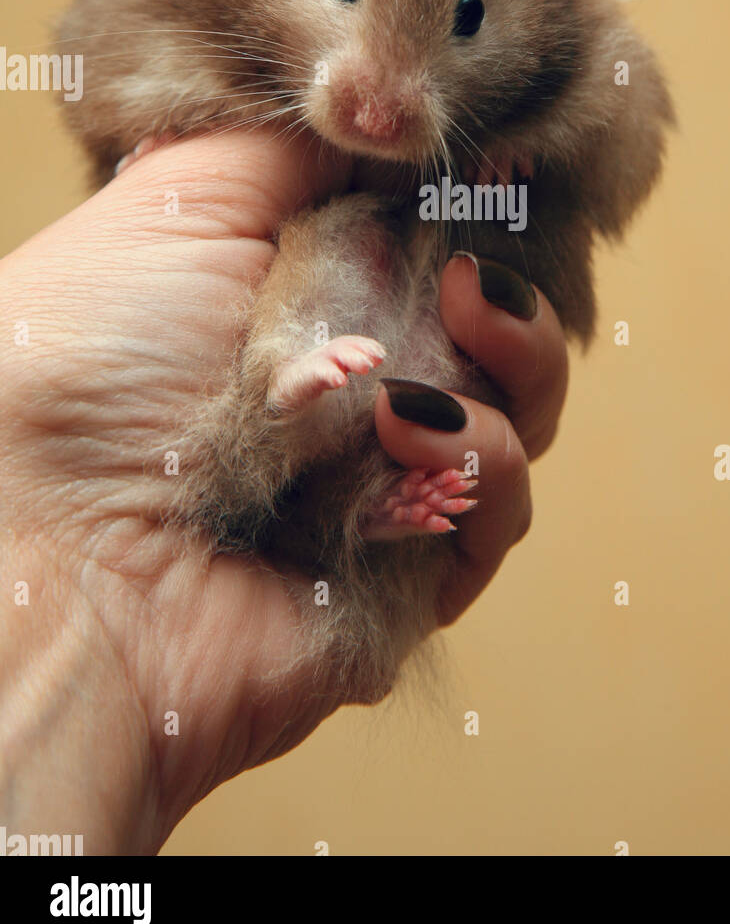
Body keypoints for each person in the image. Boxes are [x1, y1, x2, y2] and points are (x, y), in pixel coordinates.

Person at [0, 129, 568, 854]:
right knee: (331, 255)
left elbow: (624, 144)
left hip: (406, 345)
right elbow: (105, 77)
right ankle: (303, 403)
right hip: (290, 341)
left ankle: (368, 503)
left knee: (437, 391)